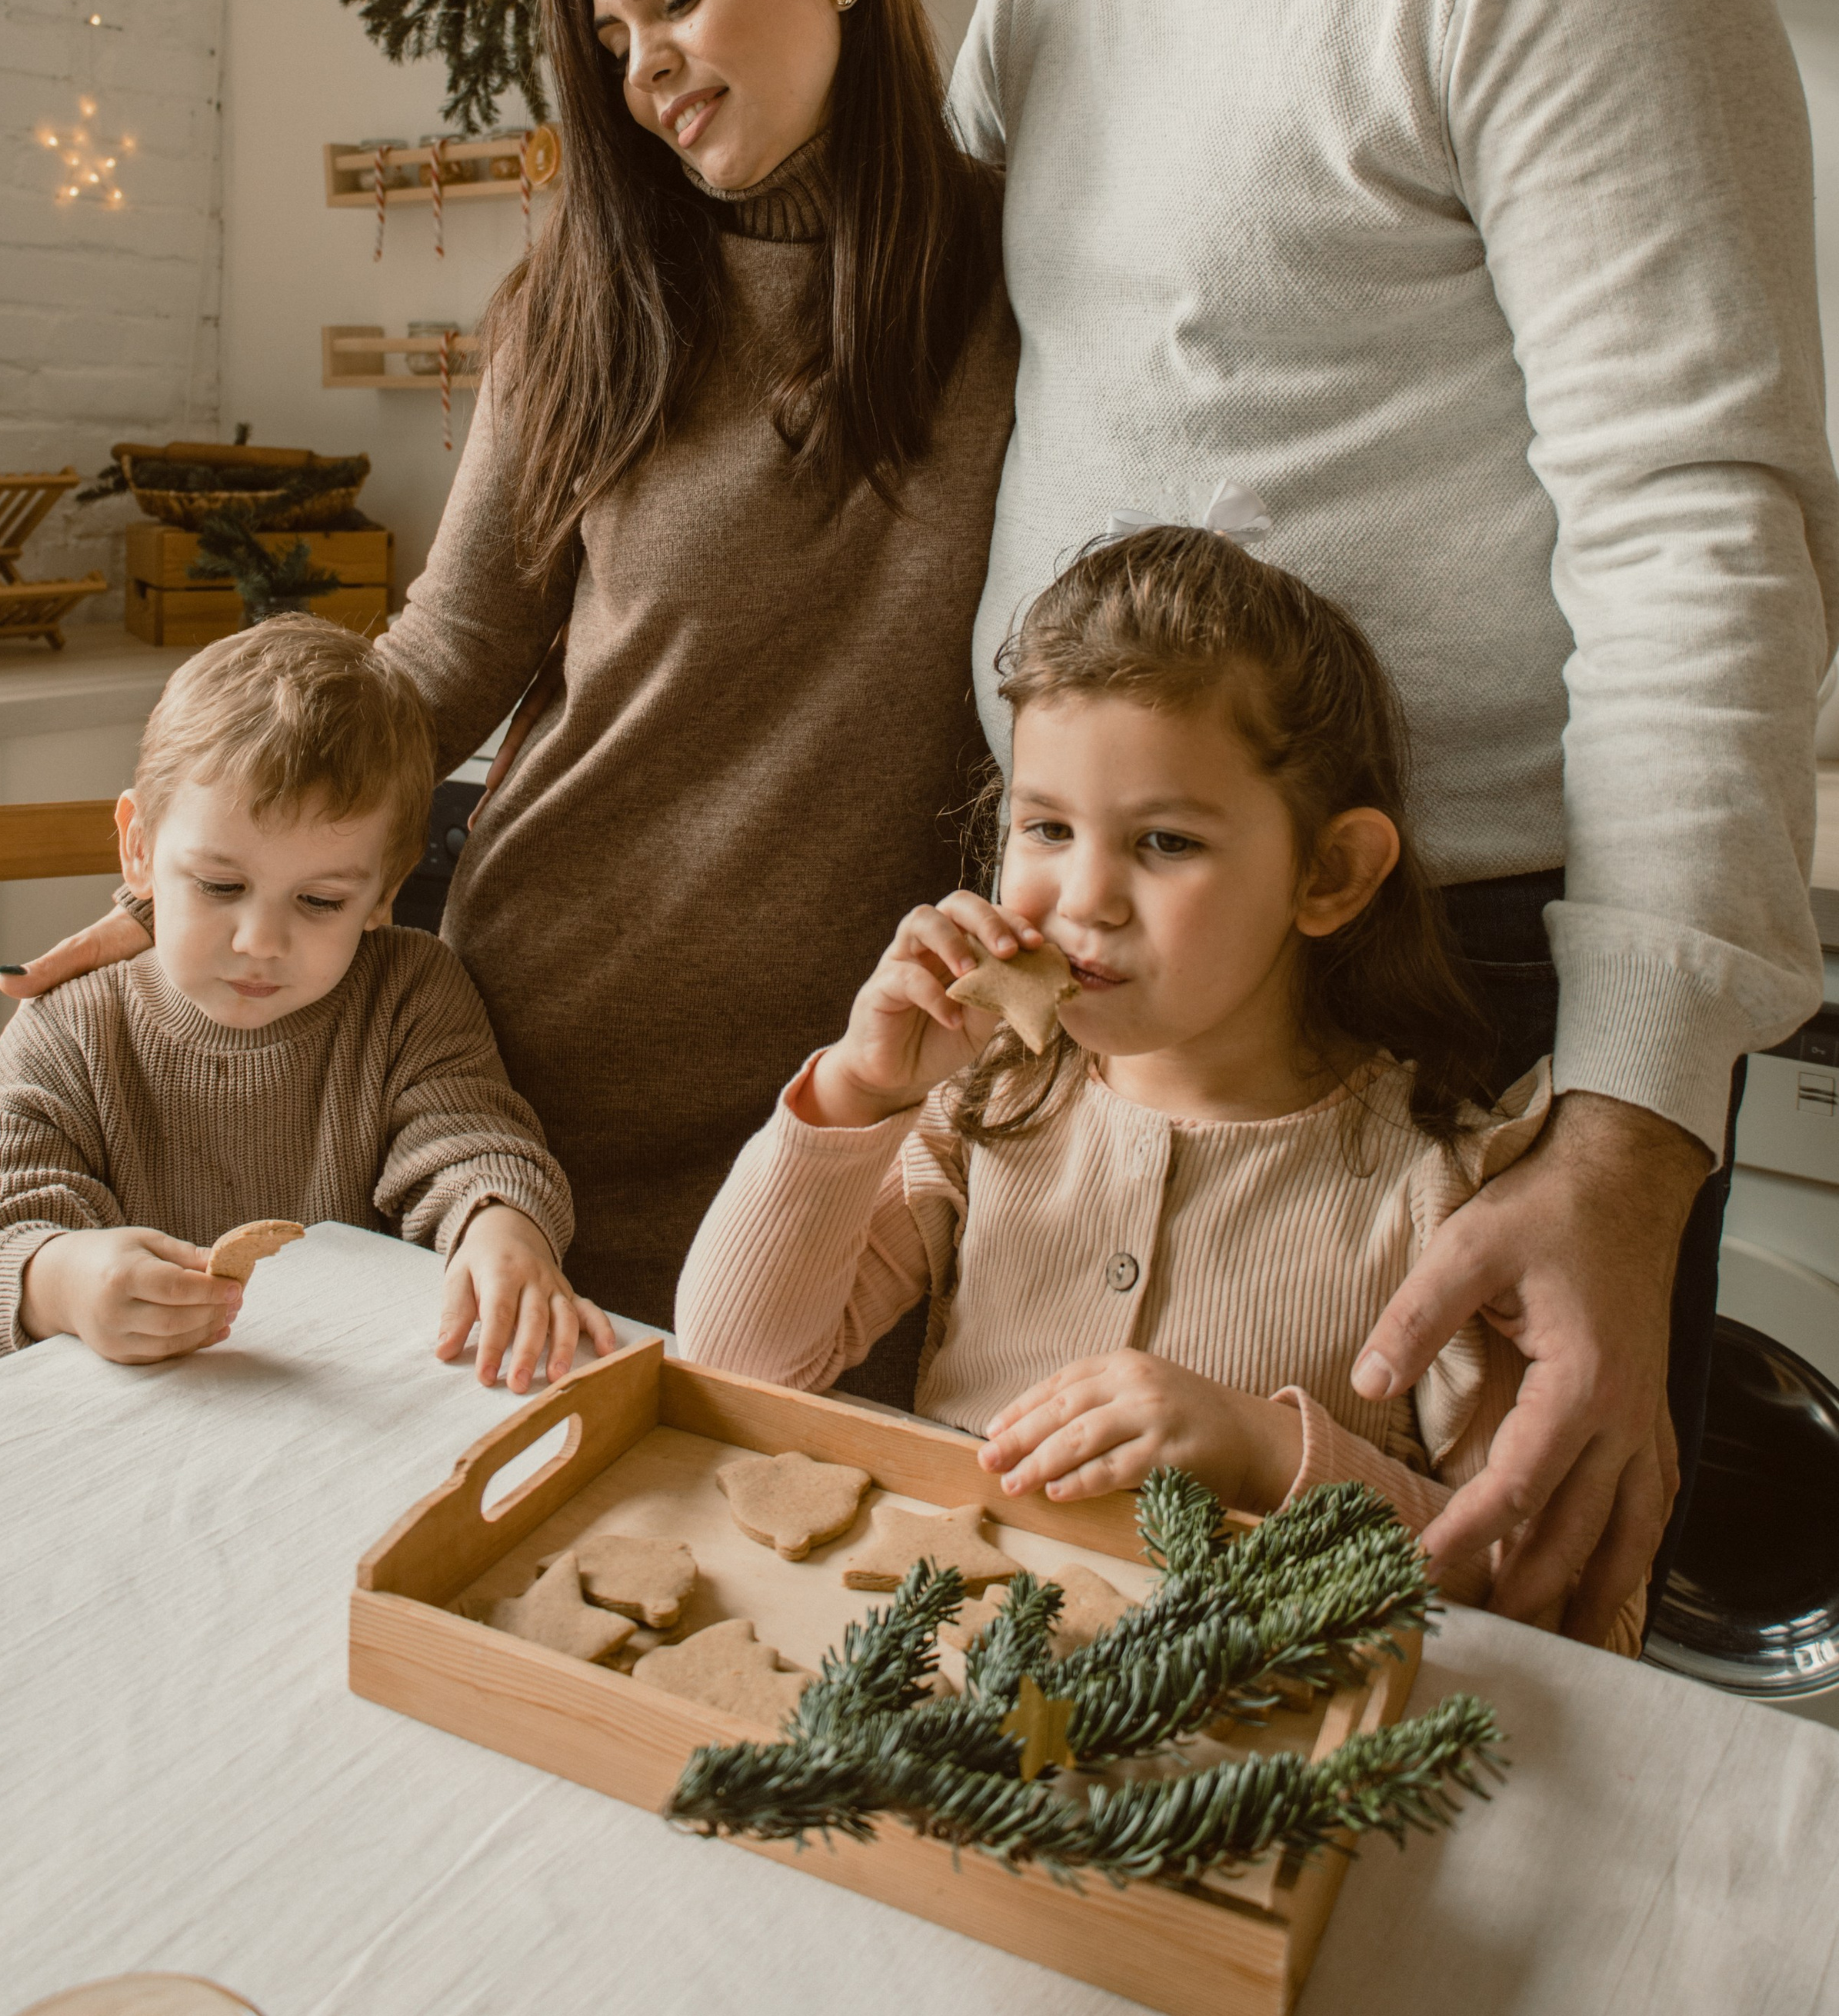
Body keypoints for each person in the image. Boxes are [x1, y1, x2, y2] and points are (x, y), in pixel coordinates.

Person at [899, 0, 1838, 1639]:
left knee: (1480, 1691)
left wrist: (1627, 1132)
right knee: (1070, 1638)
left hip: (1475, 991)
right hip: (1094, 956)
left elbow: (1698, 520)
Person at [5, 0, 1015, 1345]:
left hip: (853, 1098)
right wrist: (217, 850)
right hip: (528, 1084)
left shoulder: (1020, 276)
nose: (648, 63)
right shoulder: (585, 303)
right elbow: (448, 646)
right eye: (612, 36)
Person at [679, 525, 1644, 1650]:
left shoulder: (1449, 1197)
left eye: (1166, 842)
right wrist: (854, 1093)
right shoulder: (987, 1110)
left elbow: (1543, 1591)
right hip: (935, 1701)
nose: (1083, 898)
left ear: (1329, 873)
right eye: (1044, 827)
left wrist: (1268, 1454)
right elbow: (738, 1364)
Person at [0, 617, 608, 1385]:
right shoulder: (72, 1025)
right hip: (123, 1429)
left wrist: (501, 1226)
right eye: (221, 886)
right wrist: (64, 1282)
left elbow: (469, 1143)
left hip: (353, 1407)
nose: (260, 940)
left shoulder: (410, 993)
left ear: (382, 892)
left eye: (319, 900)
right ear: (139, 848)